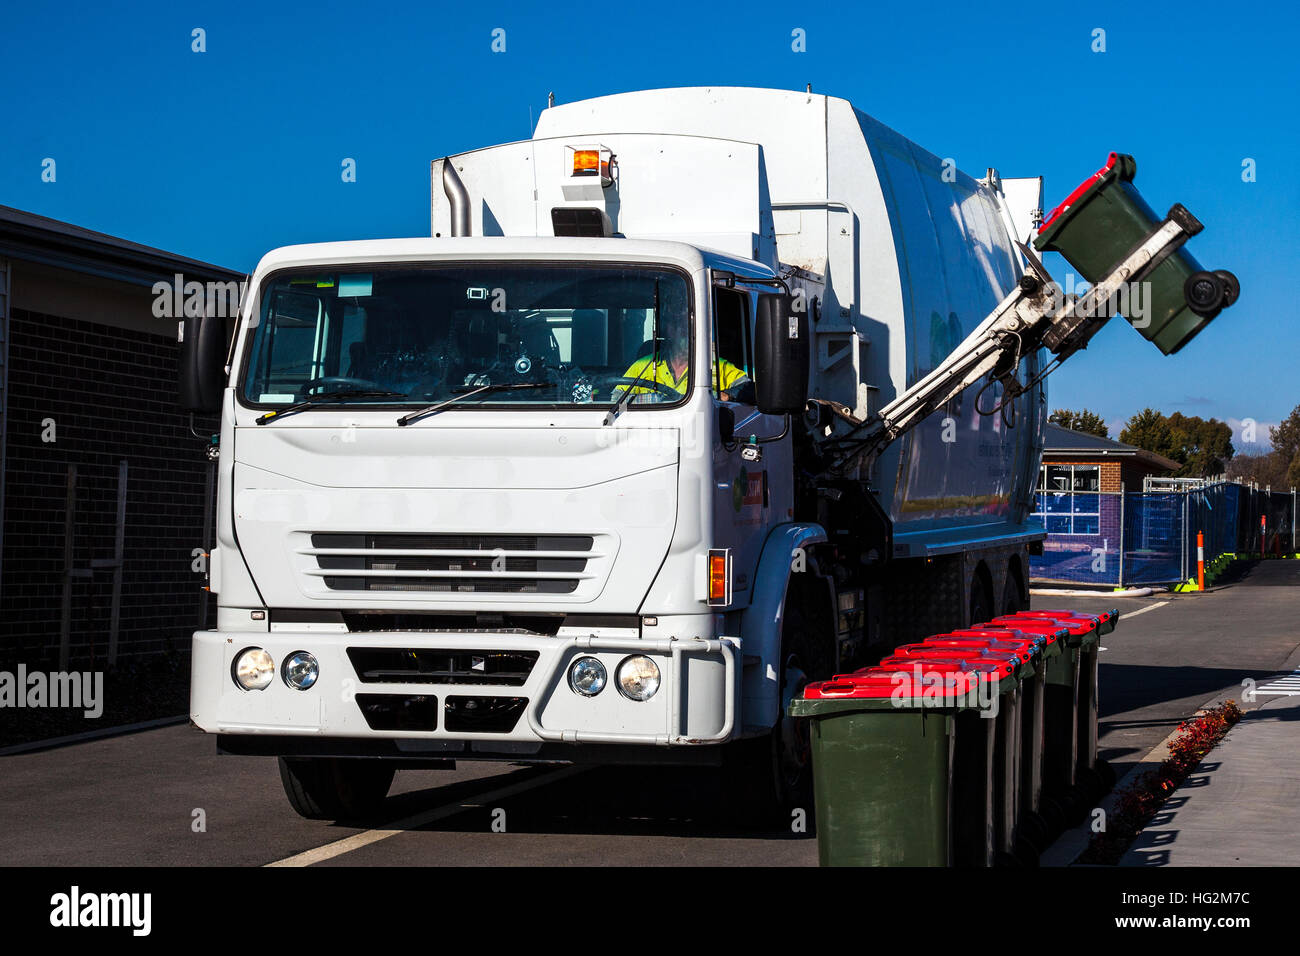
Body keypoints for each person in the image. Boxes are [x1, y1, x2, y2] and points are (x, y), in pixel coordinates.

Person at [616, 285, 755, 404]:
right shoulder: (643, 365)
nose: (680, 330)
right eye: (675, 323)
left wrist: (727, 395)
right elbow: (616, 399)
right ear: (668, 329)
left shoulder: (716, 365)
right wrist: (648, 400)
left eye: (685, 324)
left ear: (695, 329)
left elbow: (750, 389)